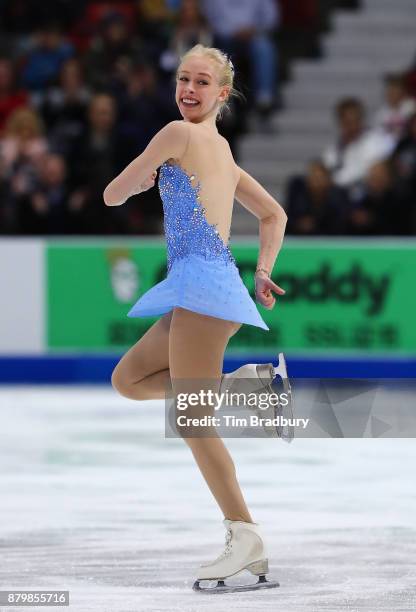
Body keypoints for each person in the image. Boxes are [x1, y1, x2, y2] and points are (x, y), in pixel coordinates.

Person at [104, 44, 289, 593]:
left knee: (191, 419)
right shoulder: (221, 149)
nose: (188, 88)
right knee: (128, 380)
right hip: (205, 290)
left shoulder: (176, 135)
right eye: (183, 78)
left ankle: (244, 534)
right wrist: (262, 272)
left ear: (222, 93)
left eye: (201, 81)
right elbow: (273, 215)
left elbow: (113, 194)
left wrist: (140, 179)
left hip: (204, 293)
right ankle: (250, 388)